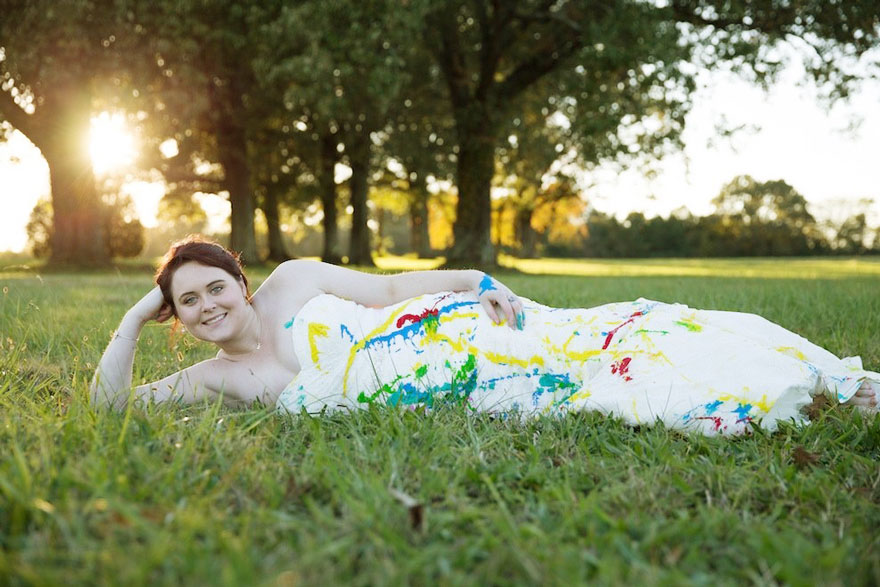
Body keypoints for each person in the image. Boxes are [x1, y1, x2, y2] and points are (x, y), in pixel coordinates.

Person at [91, 236, 878, 435]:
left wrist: (475, 282)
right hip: (459, 389)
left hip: (456, 332)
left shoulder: (296, 278)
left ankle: (839, 379)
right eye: (184, 302)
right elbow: (109, 407)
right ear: (177, 319)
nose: (205, 306)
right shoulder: (219, 380)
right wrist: (131, 318)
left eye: (213, 287)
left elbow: (394, 288)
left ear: (240, 278)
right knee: (610, 383)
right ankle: (820, 390)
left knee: (623, 330)